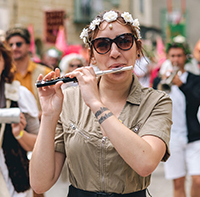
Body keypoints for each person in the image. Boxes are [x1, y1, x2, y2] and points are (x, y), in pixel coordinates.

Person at [30, 10, 172, 197]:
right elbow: (40, 184)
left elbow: (145, 163)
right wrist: (49, 115)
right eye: (103, 45)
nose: (114, 53)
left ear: (137, 48)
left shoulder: (157, 102)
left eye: (124, 42)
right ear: (92, 55)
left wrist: (96, 104)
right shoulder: (69, 100)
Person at [155, 41, 200, 197]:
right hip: (172, 137)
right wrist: (161, 80)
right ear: (168, 57)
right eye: (173, 56)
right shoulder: (160, 79)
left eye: (179, 56)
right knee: (178, 182)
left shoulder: (195, 79)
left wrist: (182, 85)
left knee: (198, 180)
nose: (176, 59)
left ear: (185, 58)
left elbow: (196, 100)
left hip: (193, 136)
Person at [0, 41, 39, 197]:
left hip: (13, 179)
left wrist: (19, 134)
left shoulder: (19, 94)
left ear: (5, 62)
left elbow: (38, 143)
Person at [5, 27, 52, 118]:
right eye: (10, 45)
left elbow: (54, 106)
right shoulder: (5, 74)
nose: (14, 48)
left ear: (28, 46)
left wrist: (35, 115)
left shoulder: (45, 73)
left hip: (40, 127)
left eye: (18, 44)